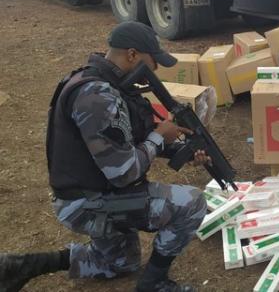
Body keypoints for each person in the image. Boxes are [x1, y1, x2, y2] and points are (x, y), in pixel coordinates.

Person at [0, 22, 209, 292]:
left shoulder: (105, 83)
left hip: (91, 192)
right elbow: (124, 172)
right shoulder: (97, 95)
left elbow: (126, 140)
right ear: (132, 55)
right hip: (85, 203)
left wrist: (178, 150)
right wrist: (159, 138)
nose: (154, 70)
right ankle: (154, 283)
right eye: (152, 61)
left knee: (123, 263)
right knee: (192, 202)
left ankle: (25, 265)